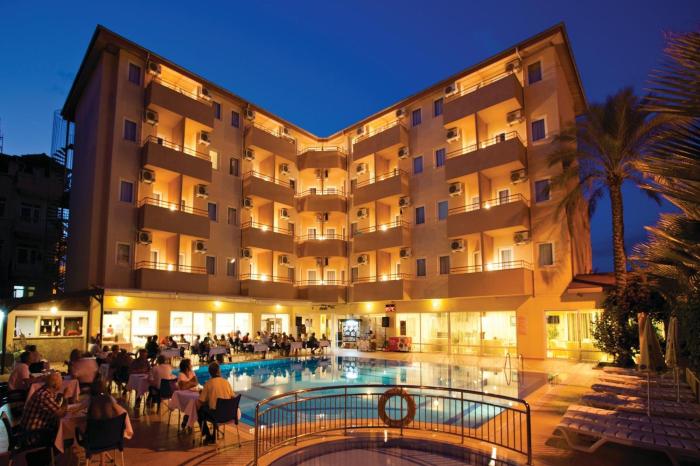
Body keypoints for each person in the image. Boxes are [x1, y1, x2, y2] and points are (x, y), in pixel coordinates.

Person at [19, 372, 67, 447]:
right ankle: (60, 449)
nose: (62, 383)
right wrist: (65, 398)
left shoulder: (44, 390)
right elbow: (61, 413)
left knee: (58, 426)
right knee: (63, 433)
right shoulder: (45, 395)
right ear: (55, 385)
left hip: (29, 430)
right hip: (33, 436)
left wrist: (60, 398)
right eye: (61, 381)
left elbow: (53, 406)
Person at [197, 362, 233, 444]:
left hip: (217, 416)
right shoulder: (226, 382)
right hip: (228, 414)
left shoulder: (208, 383)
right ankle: (214, 434)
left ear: (210, 373)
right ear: (219, 371)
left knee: (200, 411)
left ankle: (207, 435)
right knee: (215, 408)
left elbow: (201, 401)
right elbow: (232, 397)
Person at [177, 359, 198, 430]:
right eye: (190, 364)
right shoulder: (181, 374)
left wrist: (187, 383)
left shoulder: (192, 372)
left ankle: (187, 418)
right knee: (193, 402)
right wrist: (191, 383)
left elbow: (196, 383)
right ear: (187, 366)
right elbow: (183, 387)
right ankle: (188, 420)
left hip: (191, 394)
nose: (191, 365)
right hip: (183, 397)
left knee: (194, 402)